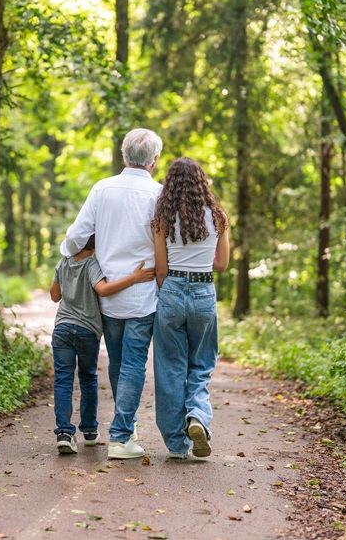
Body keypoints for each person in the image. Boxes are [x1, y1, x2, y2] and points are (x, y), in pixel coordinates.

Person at [59, 128, 163, 459]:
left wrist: (70, 250)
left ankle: (125, 430)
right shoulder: (158, 194)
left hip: (107, 293)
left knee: (118, 363)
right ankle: (120, 437)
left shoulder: (101, 189)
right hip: (143, 292)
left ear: (123, 155)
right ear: (155, 161)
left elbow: (76, 239)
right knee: (133, 363)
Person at [151, 157, 229, 459]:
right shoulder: (219, 217)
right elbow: (222, 264)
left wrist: (170, 291)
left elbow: (160, 270)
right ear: (202, 183)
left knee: (170, 368)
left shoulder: (162, 219)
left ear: (169, 185)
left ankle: (176, 444)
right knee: (202, 363)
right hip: (203, 291)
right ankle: (197, 416)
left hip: (171, 289)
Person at [50, 235, 155, 454]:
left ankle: (64, 433)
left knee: (63, 380)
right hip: (87, 330)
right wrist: (134, 278)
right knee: (87, 378)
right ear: (95, 247)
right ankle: (89, 431)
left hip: (61, 329)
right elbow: (103, 289)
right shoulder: (91, 264)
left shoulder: (63, 262)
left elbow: (54, 295)